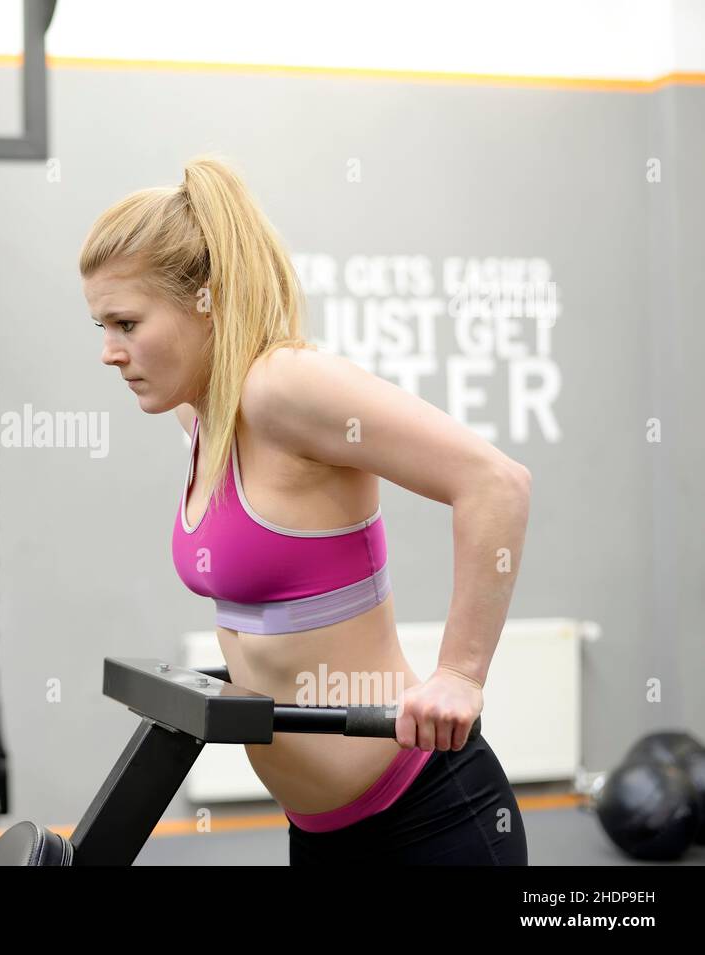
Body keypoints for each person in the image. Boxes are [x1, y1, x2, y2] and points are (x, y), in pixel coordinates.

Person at [79, 156, 532, 865]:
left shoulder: (285, 387)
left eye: (127, 322)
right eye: (101, 325)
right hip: (320, 833)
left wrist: (460, 674)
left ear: (207, 298)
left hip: (428, 818)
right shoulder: (203, 420)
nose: (109, 351)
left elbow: (495, 482)